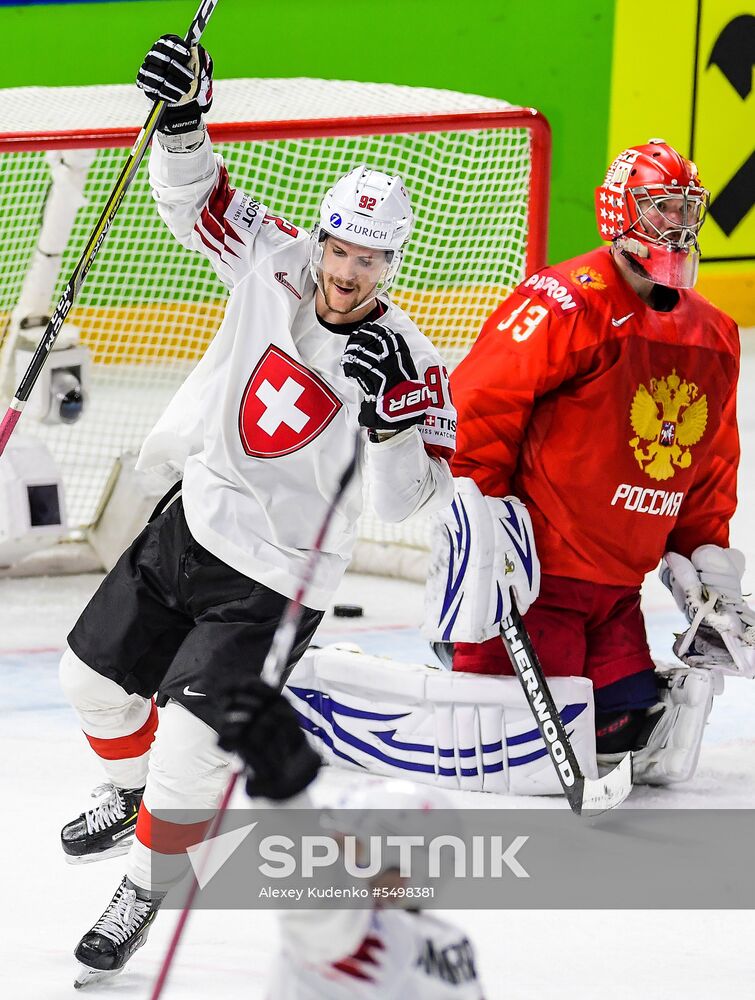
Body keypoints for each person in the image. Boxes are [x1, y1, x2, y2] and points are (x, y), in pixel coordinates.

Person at [58, 34, 456, 987]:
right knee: (89, 686)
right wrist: (187, 119)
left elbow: (416, 499)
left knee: (194, 758)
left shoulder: (414, 363)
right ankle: (126, 793)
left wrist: (393, 419)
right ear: (317, 237)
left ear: (392, 263)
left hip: (276, 582)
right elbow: (193, 198)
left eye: (369, 259)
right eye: (339, 249)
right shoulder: (272, 259)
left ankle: (147, 885)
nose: (347, 273)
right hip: (192, 523)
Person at [448, 138, 750, 782]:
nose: (677, 225)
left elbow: (710, 464)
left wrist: (707, 565)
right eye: (660, 208)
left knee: (625, 729)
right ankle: (463, 647)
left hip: (617, 591)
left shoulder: (716, 335)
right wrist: (480, 522)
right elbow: (481, 405)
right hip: (536, 582)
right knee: (515, 748)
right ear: (619, 211)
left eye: (685, 210)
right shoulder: (562, 303)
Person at [267, 779, 485, 999]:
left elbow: (320, 908)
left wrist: (279, 792)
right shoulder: (448, 945)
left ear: (404, 873)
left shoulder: (367, 939)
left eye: (349, 847)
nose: (331, 860)